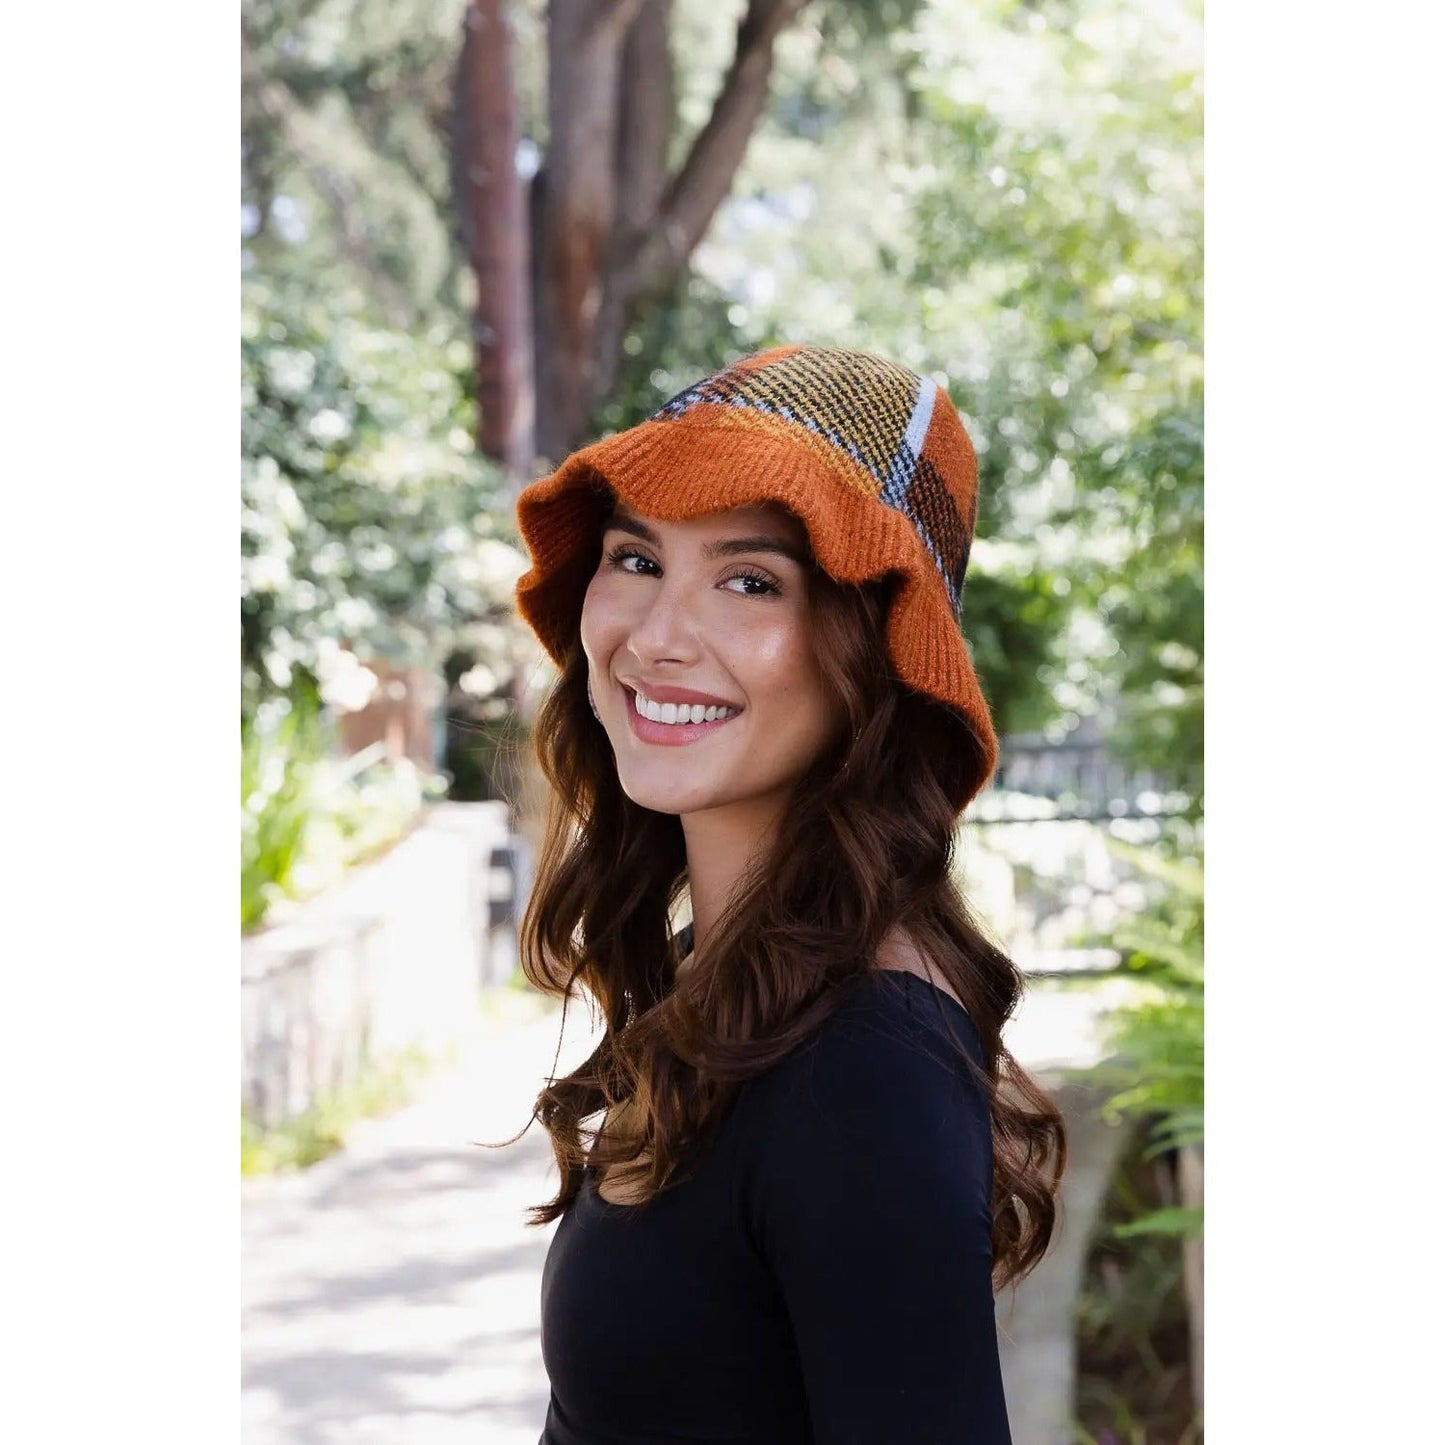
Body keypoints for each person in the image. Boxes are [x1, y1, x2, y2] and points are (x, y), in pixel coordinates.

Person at [510, 344, 1067, 1445]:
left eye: (749, 580)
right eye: (635, 558)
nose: (656, 637)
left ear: (873, 650)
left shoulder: (863, 1063)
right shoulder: (729, 974)